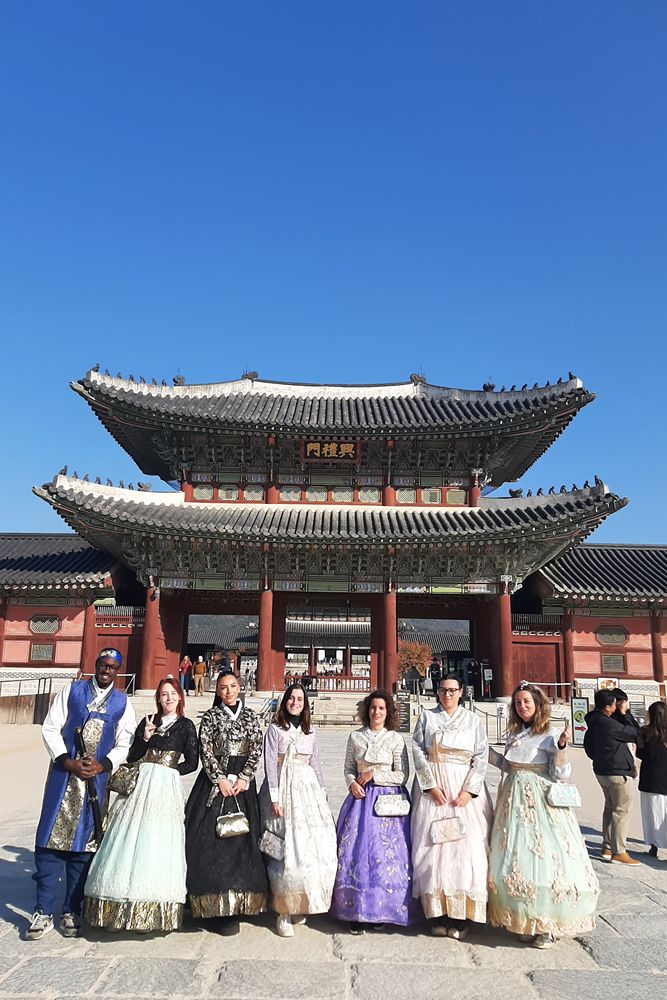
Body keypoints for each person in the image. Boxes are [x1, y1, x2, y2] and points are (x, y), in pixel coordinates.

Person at [27, 649, 136, 941]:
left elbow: (126, 741)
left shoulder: (123, 703)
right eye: (103, 665)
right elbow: (51, 728)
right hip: (63, 777)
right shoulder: (72, 691)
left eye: (113, 667)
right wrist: (67, 760)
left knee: (84, 848)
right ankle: (43, 911)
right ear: (95, 665)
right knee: (50, 842)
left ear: (118, 670)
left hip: (96, 782)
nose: (107, 670)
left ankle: (71, 909)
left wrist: (105, 765)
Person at [488, 682, 599, 948]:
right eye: (517, 702)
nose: (522, 706)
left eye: (527, 701)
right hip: (512, 799)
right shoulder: (515, 733)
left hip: (539, 802)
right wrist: (483, 754)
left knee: (545, 858)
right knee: (516, 857)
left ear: (538, 704)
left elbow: (561, 774)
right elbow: (508, 765)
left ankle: (547, 924)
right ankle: (523, 916)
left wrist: (562, 748)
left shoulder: (550, 733)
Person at [83, 678, 198, 932]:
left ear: (180, 697)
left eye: (172, 694)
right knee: (128, 838)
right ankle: (116, 907)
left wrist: (168, 771)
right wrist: (144, 738)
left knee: (158, 840)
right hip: (140, 782)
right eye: (163, 694)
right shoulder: (148, 721)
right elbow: (132, 756)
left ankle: (149, 910)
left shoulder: (187, 726)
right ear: (158, 698)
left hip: (165, 785)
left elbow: (193, 761)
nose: (168, 698)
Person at [185, 672, 268, 932]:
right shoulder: (210, 718)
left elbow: (257, 747)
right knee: (210, 842)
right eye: (223, 687)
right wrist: (219, 778)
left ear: (239, 687)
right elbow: (205, 749)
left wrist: (245, 777)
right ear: (218, 691)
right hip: (215, 782)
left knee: (243, 841)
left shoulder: (252, 717)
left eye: (233, 686)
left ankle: (243, 901)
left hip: (242, 784)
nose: (229, 691)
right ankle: (213, 906)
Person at [411, 674, 491, 940]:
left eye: (452, 690)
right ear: (437, 693)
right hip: (434, 789)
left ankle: (461, 913)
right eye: (443, 690)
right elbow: (418, 751)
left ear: (461, 692)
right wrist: (430, 785)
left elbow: (481, 756)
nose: (447, 695)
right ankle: (437, 911)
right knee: (432, 847)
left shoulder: (473, 720)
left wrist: (469, 791)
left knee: (466, 848)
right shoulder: (427, 717)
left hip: (461, 788)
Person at [331, 689, 417, 933]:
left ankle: (383, 908)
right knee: (357, 852)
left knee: (385, 855)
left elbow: (402, 774)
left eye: (381, 708)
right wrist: (352, 783)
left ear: (387, 712)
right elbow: (348, 767)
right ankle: (355, 908)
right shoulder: (356, 737)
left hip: (388, 802)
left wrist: (374, 775)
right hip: (360, 799)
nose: (376, 712)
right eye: (373, 707)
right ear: (366, 710)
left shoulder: (395, 739)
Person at [260, 684, 337, 937]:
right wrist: (274, 796)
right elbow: (270, 763)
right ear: (285, 701)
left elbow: (315, 762)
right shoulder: (274, 729)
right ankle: (283, 909)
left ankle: (301, 900)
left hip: (307, 789)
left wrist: (323, 793)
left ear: (306, 704)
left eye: (300, 699)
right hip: (283, 787)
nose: (295, 702)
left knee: (312, 847)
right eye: (291, 698)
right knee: (285, 849)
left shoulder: (310, 731)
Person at [584, 688, 642, 865]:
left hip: (602, 770)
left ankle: (607, 846)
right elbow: (634, 733)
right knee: (621, 810)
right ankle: (619, 851)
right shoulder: (609, 724)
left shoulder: (594, 722)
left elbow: (589, 748)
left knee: (610, 807)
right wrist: (624, 714)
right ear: (609, 707)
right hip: (616, 771)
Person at [637, 701, 667, 859]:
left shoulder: (645, 732)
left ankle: (654, 845)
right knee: (665, 814)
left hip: (650, 778)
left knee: (652, 813)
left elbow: (639, 754)